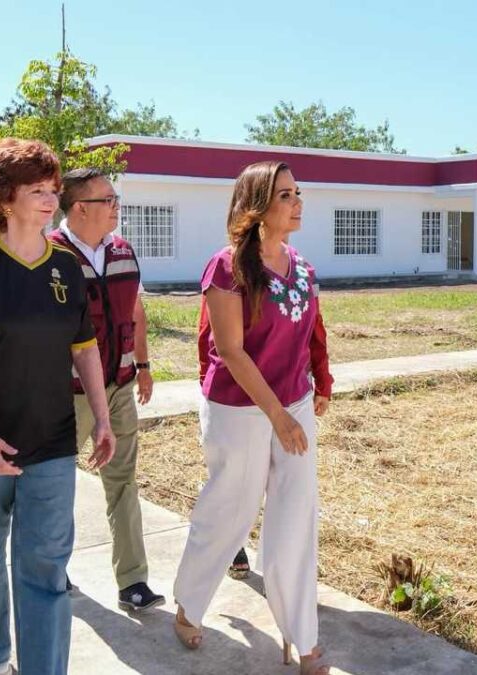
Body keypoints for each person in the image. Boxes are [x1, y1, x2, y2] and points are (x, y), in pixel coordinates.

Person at [0, 138, 115, 675]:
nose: (50, 200)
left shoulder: (66, 267)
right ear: (3, 198)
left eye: (54, 190)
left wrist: (102, 417)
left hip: (52, 443)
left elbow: (84, 350)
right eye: (36, 190)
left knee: (45, 565)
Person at [173, 161, 331, 675]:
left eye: (297, 192)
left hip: (294, 404)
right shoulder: (226, 268)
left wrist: (316, 385)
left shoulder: (302, 267)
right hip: (239, 408)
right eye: (286, 195)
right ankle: (188, 606)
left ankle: (304, 640)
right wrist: (277, 417)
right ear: (258, 207)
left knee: (295, 521)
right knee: (230, 512)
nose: (297, 201)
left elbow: (310, 334)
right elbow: (232, 351)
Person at [49, 167, 165, 612]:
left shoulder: (122, 252)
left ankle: (133, 581)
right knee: (56, 484)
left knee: (123, 482)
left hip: (120, 385)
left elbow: (135, 311)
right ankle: (51, 570)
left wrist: (144, 364)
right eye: (109, 200)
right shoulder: (49, 257)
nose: (117, 206)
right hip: (68, 392)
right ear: (80, 208)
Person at [195, 284, 333, 580]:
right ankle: (234, 546)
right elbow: (209, 335)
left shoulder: (298, 272)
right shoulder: (229, 273)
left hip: (289, 399)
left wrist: (323, 379)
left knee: (287, 489)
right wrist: (209, 388)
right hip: (239, 402)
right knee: (237, 487)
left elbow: (314, 327)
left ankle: (282, 576)